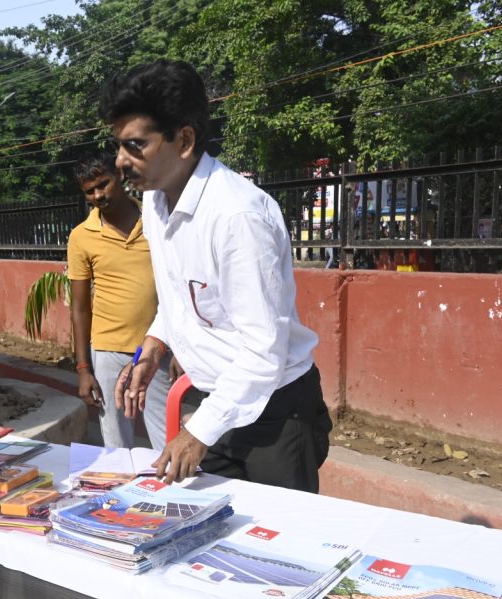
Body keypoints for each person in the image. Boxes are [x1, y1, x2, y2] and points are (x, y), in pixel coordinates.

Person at [100, 59, 332, 492]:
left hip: (275, 416)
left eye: (135, 146)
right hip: (216, 405)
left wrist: (198, 431)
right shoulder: (155, 203)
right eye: (118, 146)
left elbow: (264, 352)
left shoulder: (237, 217)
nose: (120, 162)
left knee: (276, 548)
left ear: (184, 139)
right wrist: (154, 344)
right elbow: (182, 297)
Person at [66, 152, 177, 450]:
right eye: (90, 191)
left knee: (168, 440)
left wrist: (181, 348)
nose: (98, 195)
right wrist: (83, 369)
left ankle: (172, 495)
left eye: (104, 184)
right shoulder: (81, 237)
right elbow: (79, 308)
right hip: (107, 351)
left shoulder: (156, 220)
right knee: (116, 446)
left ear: (120, 177)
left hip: (156, 349)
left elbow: (177, 284)